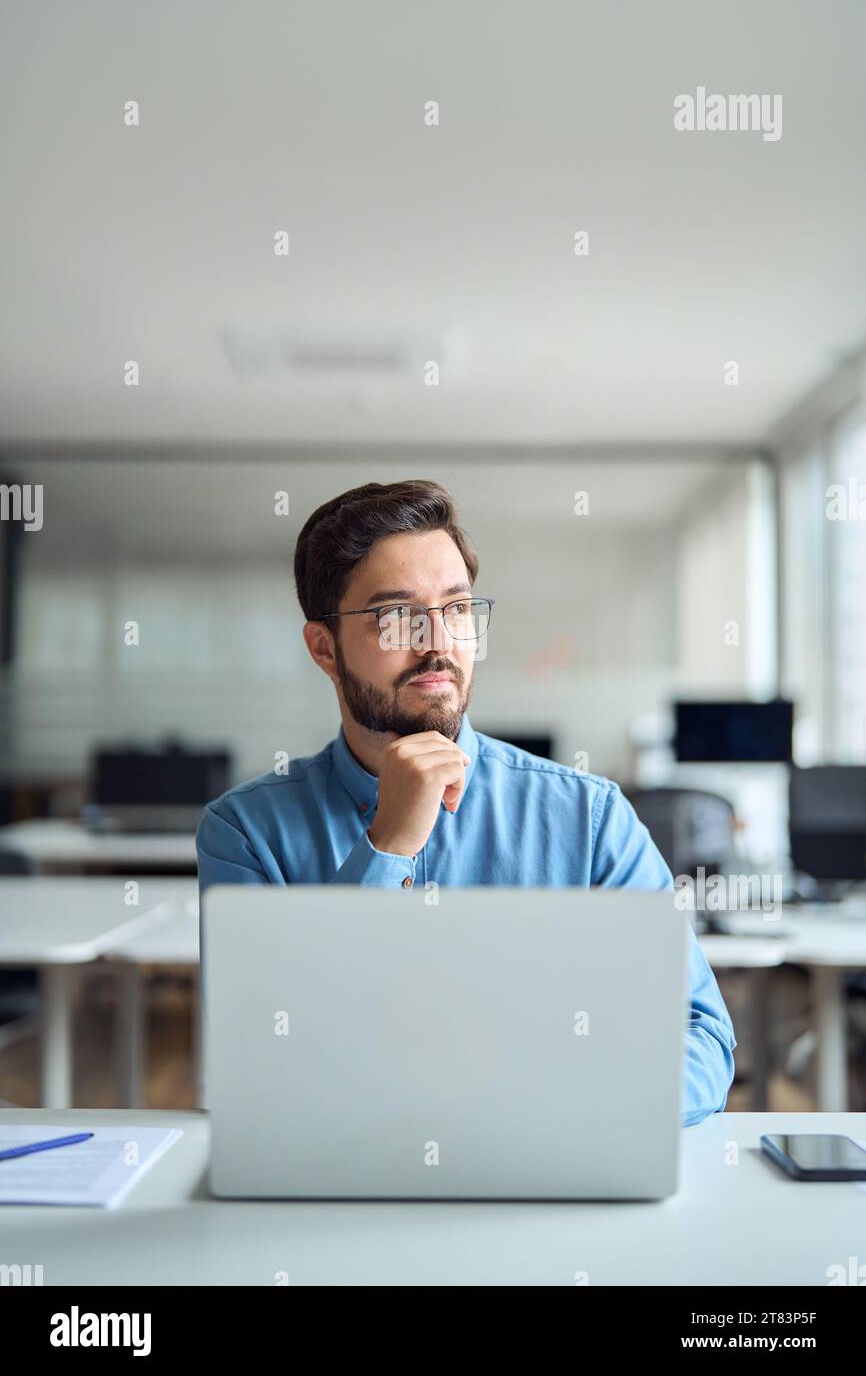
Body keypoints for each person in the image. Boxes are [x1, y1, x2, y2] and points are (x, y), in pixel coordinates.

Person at [196, 479, 736, 1126]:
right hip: (343, 1193)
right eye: (396, 615)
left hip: (548, 1175)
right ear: (324, 649)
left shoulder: (589, 819)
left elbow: (700, 1033)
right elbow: (257, 1061)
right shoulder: (246, 833)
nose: (437, 643)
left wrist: (565, 1114)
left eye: (455, 610)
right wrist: (385, 847)